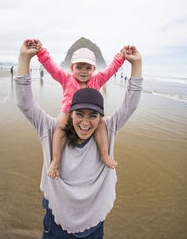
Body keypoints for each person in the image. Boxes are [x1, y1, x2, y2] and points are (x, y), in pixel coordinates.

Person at [15, 39, 142, 238]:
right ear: (71, 112)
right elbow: (25, 103)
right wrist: (26, 57)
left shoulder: (107, 130)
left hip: (94, 222)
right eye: (79, 114)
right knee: (60, 127)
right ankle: (55, 161)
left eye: (93, 115)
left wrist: (134, 63)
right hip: (57, 220)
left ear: (101, 116)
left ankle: (103, 153)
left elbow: (130, 103)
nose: (85, 122)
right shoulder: (51, 129)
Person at [31, 40, 126, 179]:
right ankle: (56, 160)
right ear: (71, 68)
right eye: (79, 67)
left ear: (94, 69)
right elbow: (52, 69)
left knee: (100, 124)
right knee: (61, 125)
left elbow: (110, 71)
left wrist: (120, 58)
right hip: (68, 112)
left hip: (90, 113)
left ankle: (105, 155)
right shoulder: (66, 79)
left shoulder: (97, 80)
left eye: (88, 68)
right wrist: (41, 53)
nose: (83, 71)